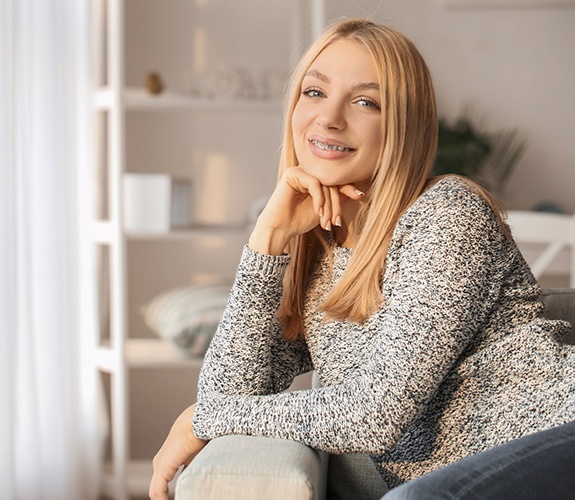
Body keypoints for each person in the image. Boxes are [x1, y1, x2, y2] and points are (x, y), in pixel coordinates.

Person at [149, 18, 575, 500]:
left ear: (402, 127)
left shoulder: (448, 214)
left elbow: (374, 414)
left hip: (554, 437)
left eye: (365, 102)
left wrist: (204, 418)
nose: (329, 118)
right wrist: (266, 241)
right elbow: (234, 388)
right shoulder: (323, 253)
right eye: (314, 92)